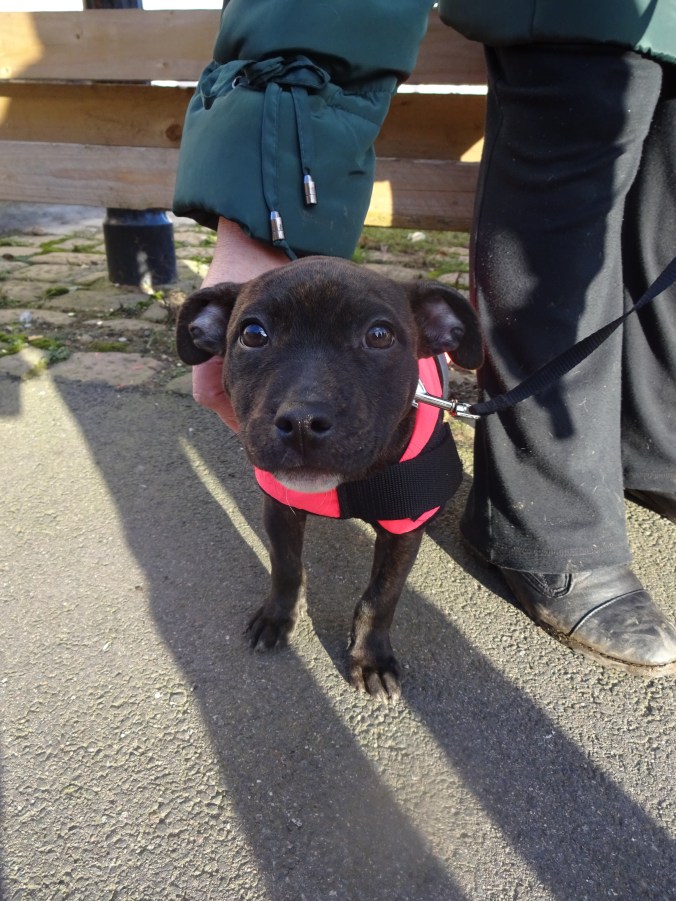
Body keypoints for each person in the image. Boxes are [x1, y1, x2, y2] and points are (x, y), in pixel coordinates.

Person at [173, 0, 676, 676]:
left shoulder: (415, 425)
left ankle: (651, 449)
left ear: (438, 334)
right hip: (564, 17)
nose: (305, 406)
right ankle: (552, 526)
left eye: (380, 335)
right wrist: (256, 221)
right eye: (254, 334)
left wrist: (372, 628)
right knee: (563, 214)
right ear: (207, 330)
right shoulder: (278, 403)